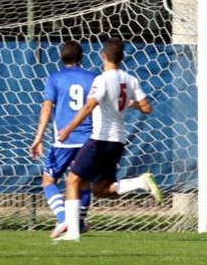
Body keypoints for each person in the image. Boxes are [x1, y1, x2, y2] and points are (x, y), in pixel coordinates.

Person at [56, 38, 162, 242]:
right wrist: (132, 104)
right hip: (118, 142)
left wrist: (68, 129)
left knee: (72, 180)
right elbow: (147, 108)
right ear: (122, 58)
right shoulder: (131, 80)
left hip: (100, 139)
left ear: (102, 56)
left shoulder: (102, 80)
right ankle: (139, 182)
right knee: (102, 189)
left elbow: (88, 107)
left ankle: (73, 233)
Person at [28, 41, 98, 238]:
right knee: (82, 182)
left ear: (61, 57)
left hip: (63, 140)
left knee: (48, 180)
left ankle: (63, 218)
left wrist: (38, 137)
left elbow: (47, 107)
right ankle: (79, 223)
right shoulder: (93, 77)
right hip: (87, 138)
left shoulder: (55, 78)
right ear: (81, 57)